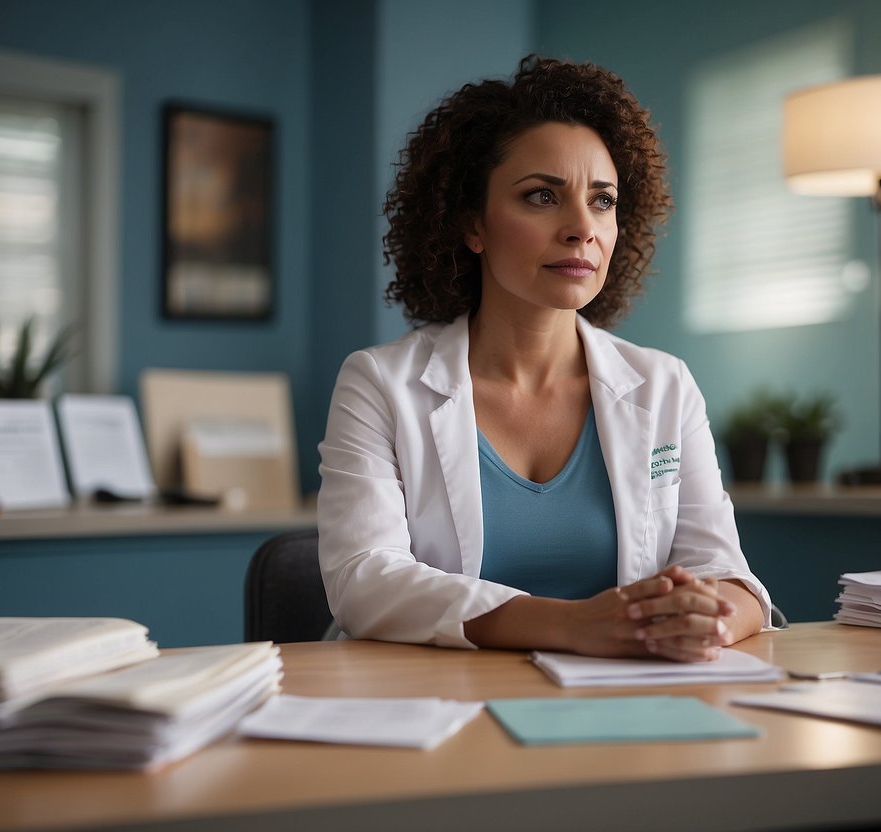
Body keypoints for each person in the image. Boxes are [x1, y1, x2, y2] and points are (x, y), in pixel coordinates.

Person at [317, 55, 773, 662]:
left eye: (603, 200)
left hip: (626, 707)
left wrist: (710, 618)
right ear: (472, 224)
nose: (582, 227)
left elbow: (724, 570)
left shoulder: (664, 384)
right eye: (541, 197)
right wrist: (571, 625)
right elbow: (364, 581)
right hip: (437, 710)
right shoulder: (379, 382)